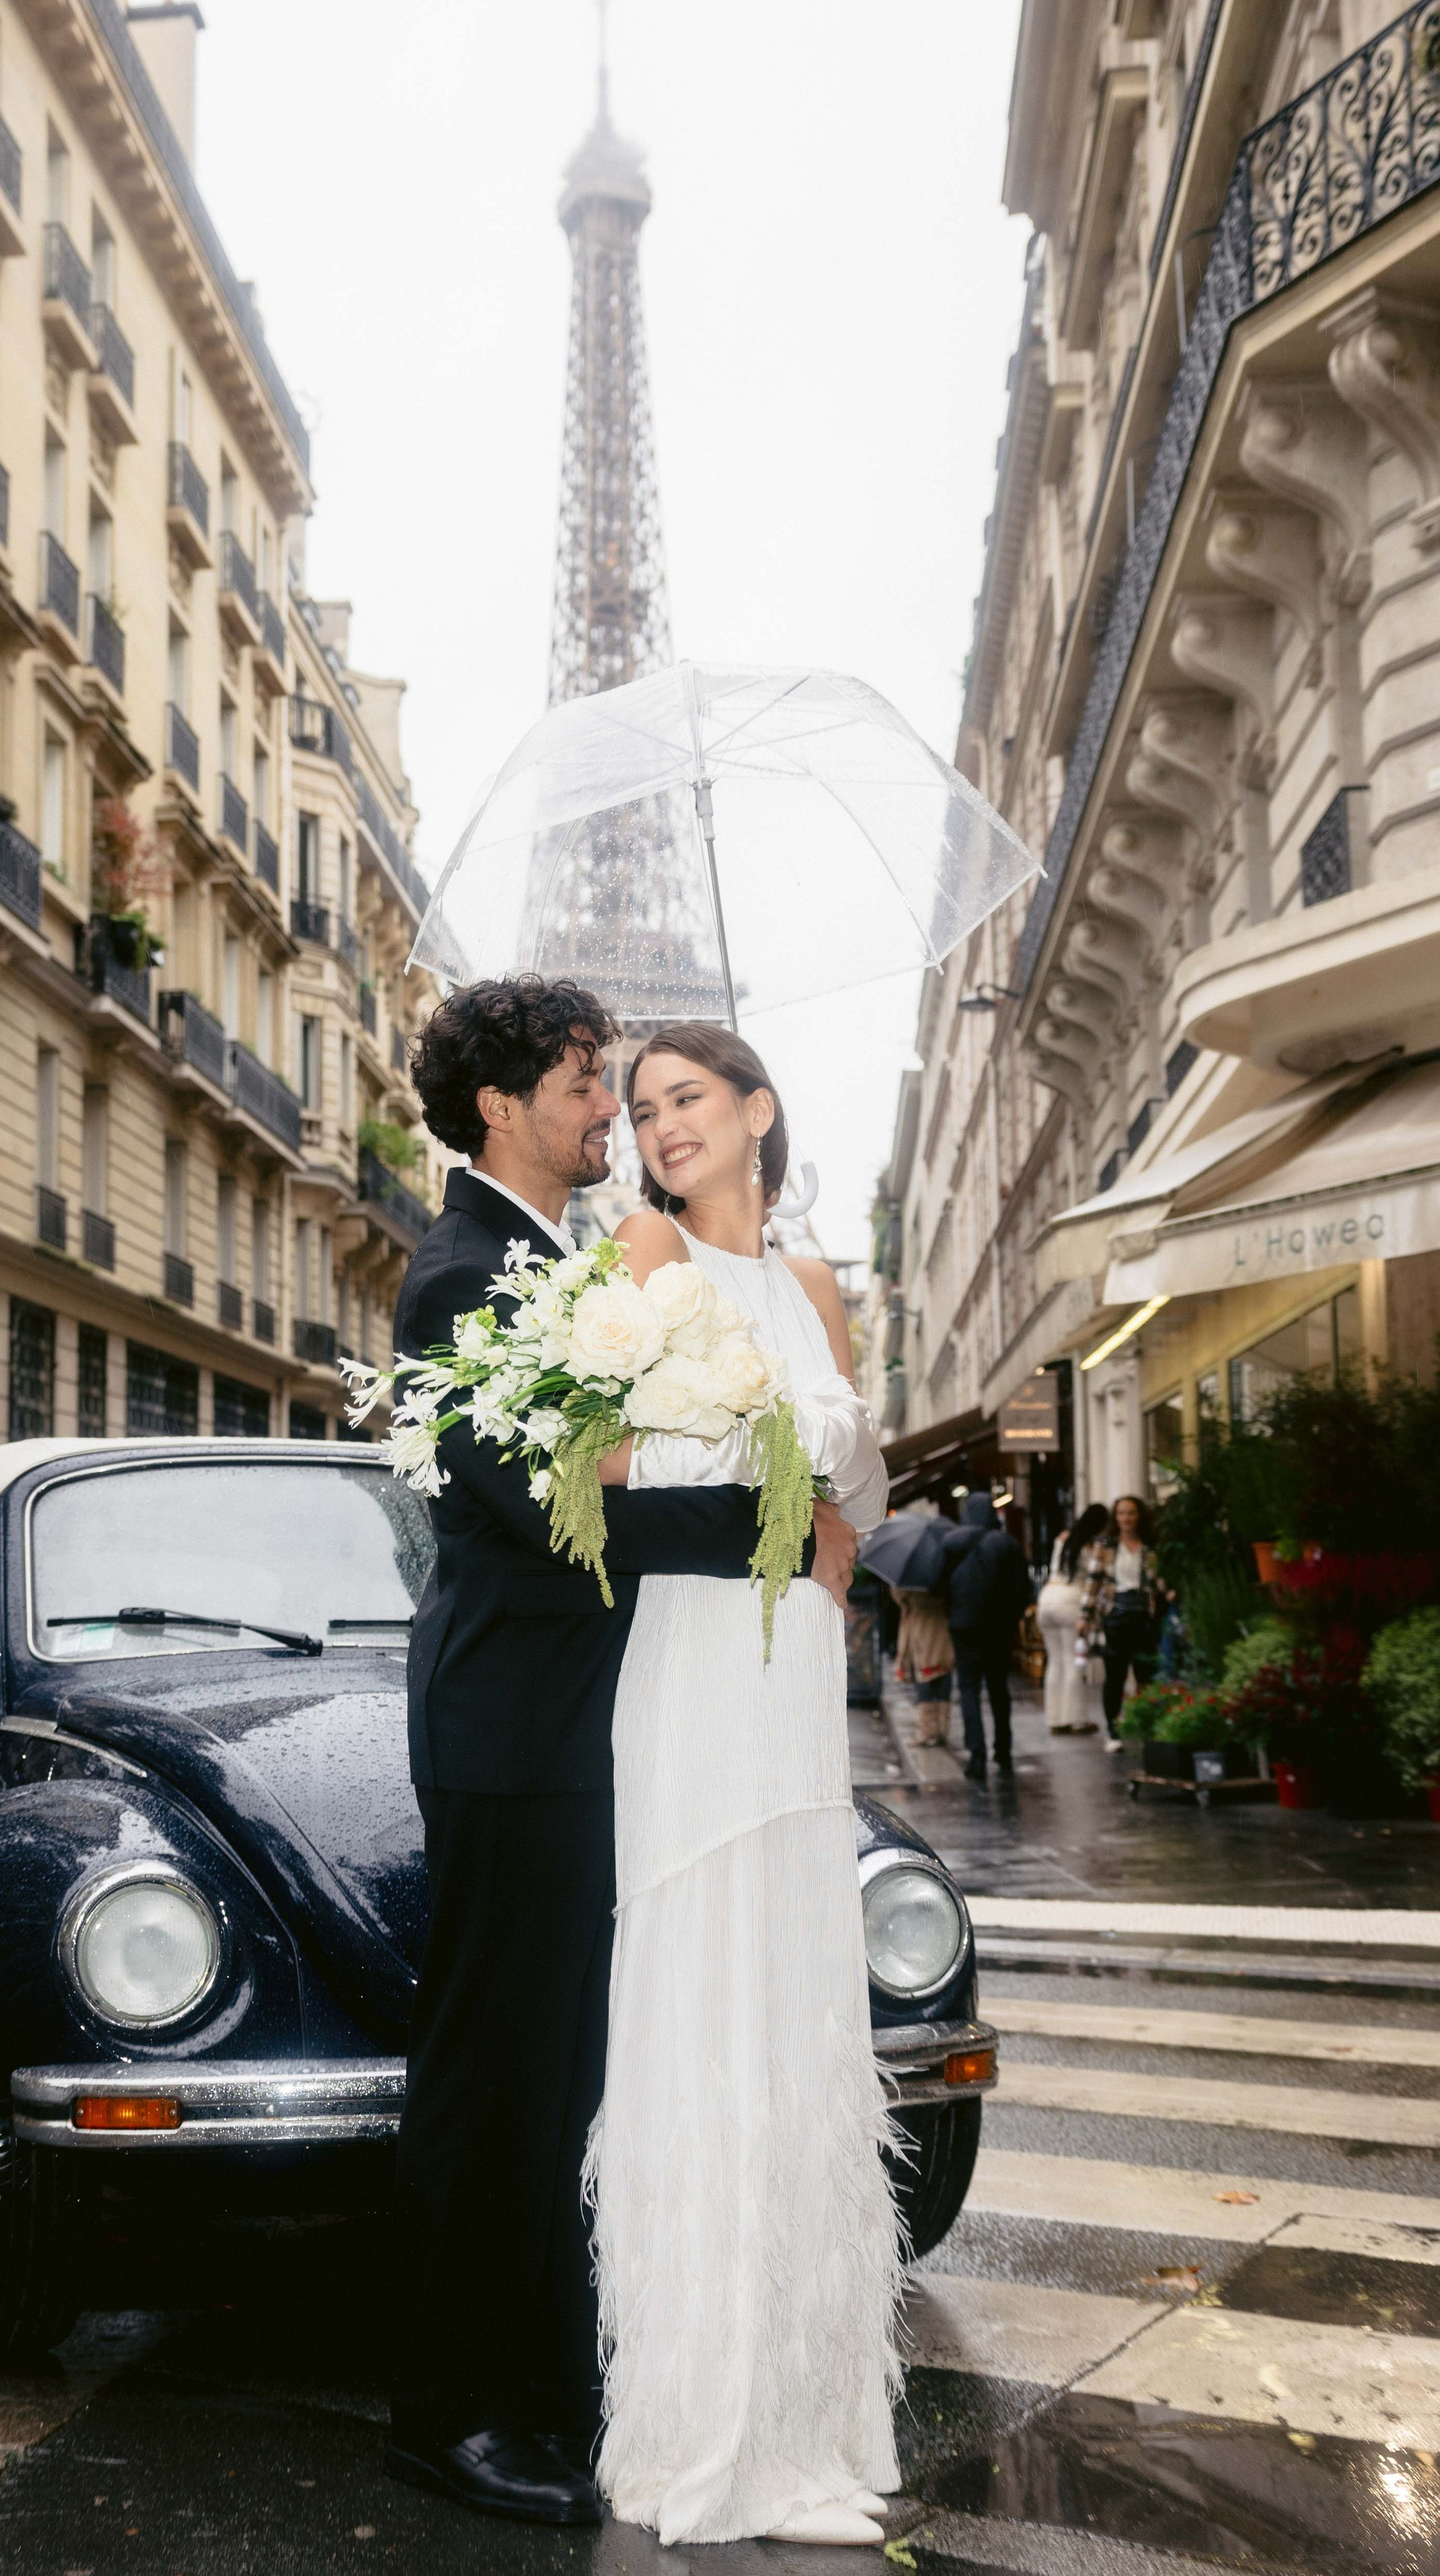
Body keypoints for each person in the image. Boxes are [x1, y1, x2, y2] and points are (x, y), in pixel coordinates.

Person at [386, 979, 856, 2531]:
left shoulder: (554, 1259)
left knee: (568, 2072)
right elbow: (546, 1512)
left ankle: (547, 2376)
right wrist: (762, 1521)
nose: (611, 1109)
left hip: (593, 1721)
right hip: (514, 1722)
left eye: (621, 1085)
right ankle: (447, 2412)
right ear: (499, 1104)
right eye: (589, 1082)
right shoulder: (461, 1274)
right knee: (491, 2074)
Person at [584, 1023, 899, 2550]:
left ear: (760, 1108)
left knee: (791, 2007)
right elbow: (593, 1464)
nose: (661, 1126)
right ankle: (701, 2426)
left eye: (689, 1097)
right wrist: (742, 1451)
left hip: (788, 1664)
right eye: (643, 1108)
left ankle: (805, 2415)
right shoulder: (641, 1250)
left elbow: (854, 1488)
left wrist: (827, 1550)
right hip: (693, 1648)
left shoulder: (814, 1281)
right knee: (703, 2006)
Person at [939, 1492, 1033, 1781]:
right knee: (998, 1687)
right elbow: (1022, 1588)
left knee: (968, 1688)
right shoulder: (1006, 1544)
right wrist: (1011, 1619)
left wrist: (954, 1611)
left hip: (963, 1626)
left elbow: (938, 1584)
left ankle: (976, 1754)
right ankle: (1003, 1749)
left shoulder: (950, 1543)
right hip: (998, 1627)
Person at [1079, 1493, 1169, 1754]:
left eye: (1131, 1513)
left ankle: (1147, 1728)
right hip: (1115, 1615)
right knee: (1115, 1676)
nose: (1126, 1518)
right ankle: (1113, 1730)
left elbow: (1158, 1580)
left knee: (1146, 1675)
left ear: (1139, 1516)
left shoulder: (1150, 1546)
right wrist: (1085, 1615)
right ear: (1115, 1518)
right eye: (1121, 1513)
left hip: (1144, 1615)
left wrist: (1167, 1588)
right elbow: (1093, 1580)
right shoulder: (1106, 1545)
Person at [1036, 1503, 1110, 1734]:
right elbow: (1094, 1580)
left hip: (1047, 1599)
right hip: (1071, 1601)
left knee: (1055, 1661)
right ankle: (1077, 1719)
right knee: (1073, 1661)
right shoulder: (1093, 1547)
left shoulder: (1063, 1539)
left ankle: (1055, 1720)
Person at [893, 1578, 955, 1744]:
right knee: (943, 1677)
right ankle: (942, 1730)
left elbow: (899, 1597)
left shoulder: (912, 1580)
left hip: (921, 1629)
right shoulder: (942, 1574)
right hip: (942, 1627)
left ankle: (926, 1732)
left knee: (924, 1681)